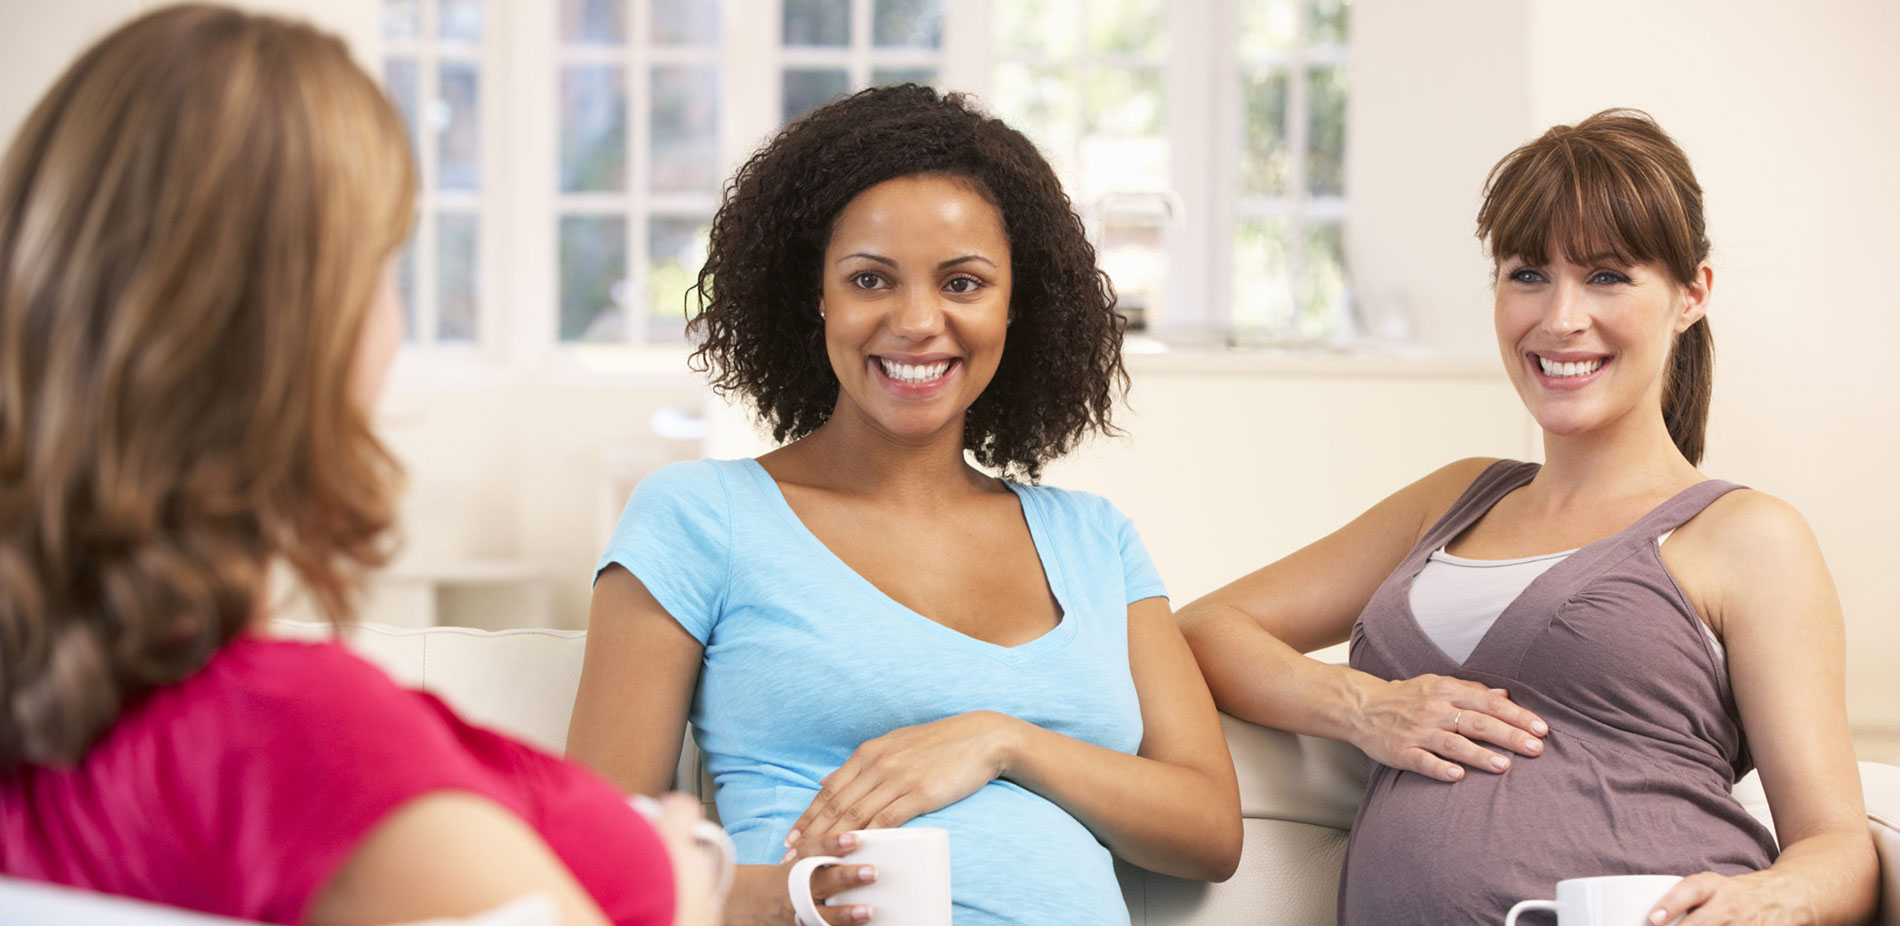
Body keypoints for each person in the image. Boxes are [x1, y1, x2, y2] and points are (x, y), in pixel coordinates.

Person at [0, 6, 719, 925]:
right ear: (299, 333)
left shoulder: (71, 732)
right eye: (383, 268)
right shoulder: (293, 743)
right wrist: (684, 896)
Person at [1177, 109, 1877, 925]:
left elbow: (1837, 845)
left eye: (1608, 276)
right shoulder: (1452, 500)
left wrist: (1763, 901)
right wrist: (1363, 706)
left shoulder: (1746, 537)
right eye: (1527, 274)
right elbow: (1204, 628)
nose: (1559, 318)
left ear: (1692, 295)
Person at [567, 84, 1241, 926]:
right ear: (816, 295)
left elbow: (1211, 830)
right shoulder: (702, 517)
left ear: (1014, 306)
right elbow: (595, 856)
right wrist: (801, 902)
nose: (918, 321)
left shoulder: (1095, 539)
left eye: (963, 282)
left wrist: (1002, 741)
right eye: (870, 279)